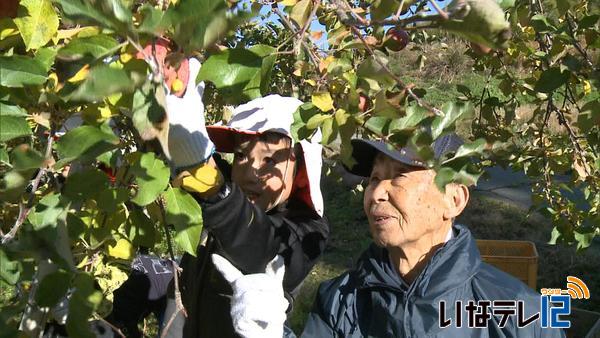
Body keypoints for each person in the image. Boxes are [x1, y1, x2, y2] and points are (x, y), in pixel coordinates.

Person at [214, 134, 566, 337]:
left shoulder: (521, 313)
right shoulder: (341, 301)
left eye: (399, 176)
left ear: (454, 199)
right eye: (373, 178)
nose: (377, 192)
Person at [156, 58, 329, 338]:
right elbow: (174, 158)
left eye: (270, 160)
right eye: (241, 155)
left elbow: (259, 245)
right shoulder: (229, 194)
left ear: (300, 170)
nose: (250, 172)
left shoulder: (307, 233)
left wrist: (213, 187)